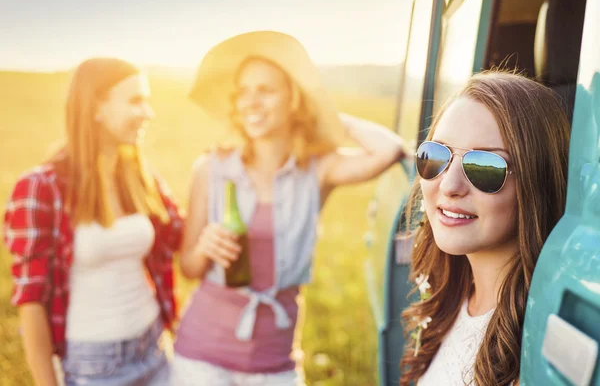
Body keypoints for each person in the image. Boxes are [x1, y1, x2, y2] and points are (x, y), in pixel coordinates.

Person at [171, 31, 406, 385]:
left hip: (274, 362)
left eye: (265, 90)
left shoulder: (316, 171)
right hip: (202, 359)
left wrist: (326, 113)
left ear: (293, 98)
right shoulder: (211, 169)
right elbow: (188, 267)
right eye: (243, 92)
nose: (252, 102)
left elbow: (389, 150)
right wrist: (203, 248)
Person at [3, 58, 184, 386]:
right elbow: (31, 302)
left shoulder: (139, 176)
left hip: (155, 347)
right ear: (96, 108)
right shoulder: (41, 187)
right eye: (135, 101)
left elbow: (182, 237)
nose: (148, 112)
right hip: (95, 365)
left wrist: (220, 168)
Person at [398, 71, 570, 386]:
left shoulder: (541, 345)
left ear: (537, 182)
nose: (449, 185)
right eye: (435, 156)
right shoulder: (452, 298)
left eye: (486, 166)